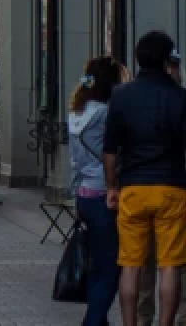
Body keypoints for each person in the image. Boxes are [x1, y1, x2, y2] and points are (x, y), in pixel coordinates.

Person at [103, 31, 186, 326]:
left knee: (131, 265)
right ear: (167, 60)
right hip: (171, 189)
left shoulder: (121, 96)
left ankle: (130, 324)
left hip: (134, 189)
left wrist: (112, 187)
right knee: (169, 265)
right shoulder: (180, 97)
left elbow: (110, 149)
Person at [68, 56, 123, 326]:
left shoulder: (75, 113)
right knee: (110, 266)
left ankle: (98, 320)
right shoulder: (105, 114)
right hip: (105, 194)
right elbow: (113, 151)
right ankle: (93, 320)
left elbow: (74, 162)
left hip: (84, 194)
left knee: (96, 264)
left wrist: (74, 193)